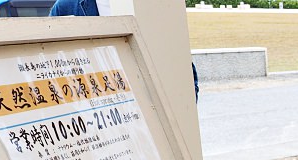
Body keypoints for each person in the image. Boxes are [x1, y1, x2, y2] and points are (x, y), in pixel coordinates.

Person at [49, 0, 199, 101]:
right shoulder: (66, 6)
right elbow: (51, 62)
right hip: (99, 113)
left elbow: (182, 70)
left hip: (152, 105)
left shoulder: (156, 5)